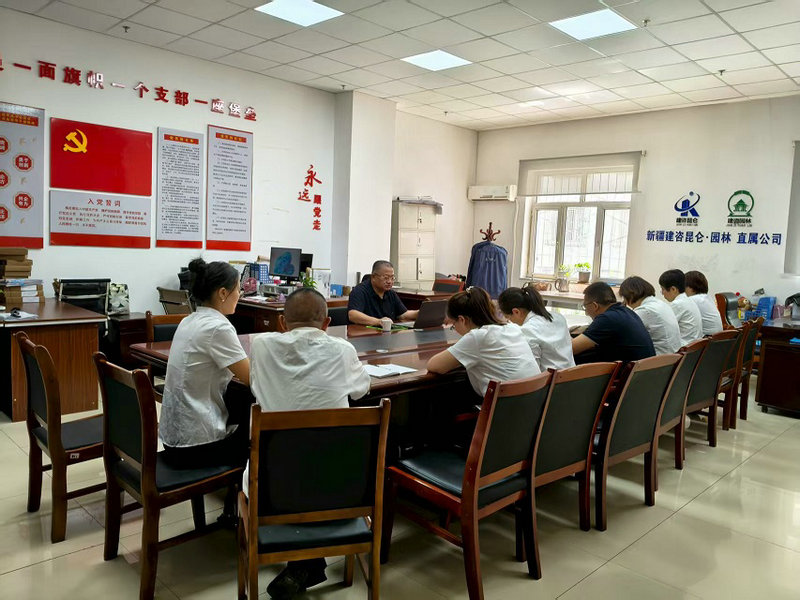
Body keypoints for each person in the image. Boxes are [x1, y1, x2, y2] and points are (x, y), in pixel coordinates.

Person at [248, 288, 371, 599]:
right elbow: (361, 390)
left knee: (293, 457)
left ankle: (305, 563)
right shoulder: (342, 350)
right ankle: (308, 564)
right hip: (343, 488)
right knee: (318, 458)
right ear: (327, 322)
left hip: (272, 488)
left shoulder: (261, 346)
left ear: (281, 322)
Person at [160, 259, 250, 524]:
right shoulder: (218, 327)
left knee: (241, 406)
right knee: (261, 432)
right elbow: (252, 378)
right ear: (223, 293)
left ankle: (233, 508)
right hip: (195, 446)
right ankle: (243, 513)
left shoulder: (189, 320)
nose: (240, 294)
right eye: (238, 289)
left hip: (172, 439)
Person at [427, 287, 539, 397]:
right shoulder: (512, 328)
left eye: (453, 325)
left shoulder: (477, 337)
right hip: (535, 403)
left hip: (505, 406)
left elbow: (434, 365)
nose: (455, 329)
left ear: (462, 320)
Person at [572, 281, 655, 364]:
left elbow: (570, 349)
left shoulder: (607, 318)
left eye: (585, 307)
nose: (586, 313)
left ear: (595, 306)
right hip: (645, 368)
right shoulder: (626, 312)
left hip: (632, 370)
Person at [497, 285, 575, 370]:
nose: (510, 321)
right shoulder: (558, 317)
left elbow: (532, 369)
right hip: (572, 374)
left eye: (508, 317)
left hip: (551, 377)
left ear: (516, 312)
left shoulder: (528, 330)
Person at [619, 276, 682, 355]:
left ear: (630, 295)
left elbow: (623, 331)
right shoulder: (659, 303)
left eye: (624, 298)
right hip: (672, 355)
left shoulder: (645, 310)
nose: (625, 302)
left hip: (660, 358)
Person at [347, 260, 419, 326]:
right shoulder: (360, 291)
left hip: (386, 332)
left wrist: (420, 313)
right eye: (386, 278)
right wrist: (378, 321)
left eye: (392, 278)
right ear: (373, 277)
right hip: (364, 333)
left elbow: (402, 314)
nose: (389, 281)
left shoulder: (390, 293)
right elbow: (353, 315)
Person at [658, 269, 704, 347]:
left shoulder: (677, 304)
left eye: (663, 289)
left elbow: (663, 328)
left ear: (673, 289)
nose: (662, 293)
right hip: (695, 346)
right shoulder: (688, 300)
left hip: (685, 347)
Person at [685, 270, 724, 335]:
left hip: (707, 339)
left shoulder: (693, 300)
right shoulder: (707, 298)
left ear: (690, 288)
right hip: (718, 338)